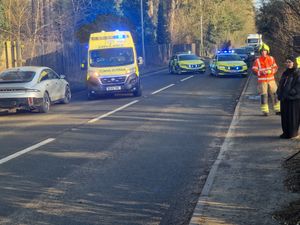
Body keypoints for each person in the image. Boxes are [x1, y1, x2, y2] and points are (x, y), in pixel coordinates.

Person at [252, 43, 280, 116]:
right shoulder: (257, 60)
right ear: (260, 52)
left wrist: (271, 71)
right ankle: (265, 111)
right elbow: (254, 70)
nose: (264, 52)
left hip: (271, 80)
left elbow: (275, 68)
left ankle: (277, 110)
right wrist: (261, 72)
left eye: (265, 51)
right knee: (264, 96)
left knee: (275, 94)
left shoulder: (271, 58)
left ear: (267, 51)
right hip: (262, 81)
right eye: (262, 51)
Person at [277, 55, 300, 139]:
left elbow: (298, 86)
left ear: (294, 63)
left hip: (293, 99)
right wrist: (279, 93)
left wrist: (291, 93)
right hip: (284, 99)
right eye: (286, 62)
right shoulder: (285, 72)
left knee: (293, 117)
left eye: (289, 62)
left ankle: (293, 133)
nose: (288, 63)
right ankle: (286, 133)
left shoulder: (297, 72)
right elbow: (281, 84)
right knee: (285, 116)